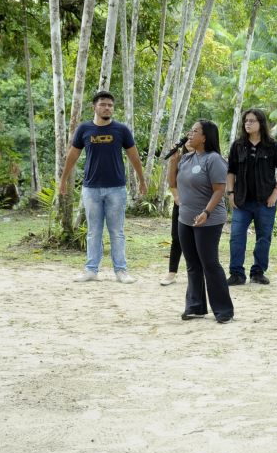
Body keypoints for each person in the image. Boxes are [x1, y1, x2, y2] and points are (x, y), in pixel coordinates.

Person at [59, 90, 147, 283]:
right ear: (94, 107)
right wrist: (64, 180)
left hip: (116, 188)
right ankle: (91, 270)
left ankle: (121, 271)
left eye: (110, 105)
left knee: (117, 232)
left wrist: (141, 180)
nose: (107, 108)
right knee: (93, 231)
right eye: (103, 104)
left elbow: (134, 156)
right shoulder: (84, 129)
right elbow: (72, 155)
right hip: (91, 189)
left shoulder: (121, 130)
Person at [168, 120, 233, 323]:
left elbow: (219, 190)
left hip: (209, 219)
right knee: (192, 264)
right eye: (191, 130)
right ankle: (195, 306)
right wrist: (173, 161)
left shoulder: (213, 160)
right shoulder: (186, 158)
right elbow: (172, 183)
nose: (190, 134)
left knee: (209, 263)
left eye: (195, 131)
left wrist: (206, 212)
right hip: (185, 218)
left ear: (205, 137)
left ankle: (223, 310)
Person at [226, 109, 277, 286]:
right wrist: (230, 193)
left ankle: (258, 272)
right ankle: (237, 274)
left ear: (260, 123)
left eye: (252, 121)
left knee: (263, 238)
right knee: (237, 236)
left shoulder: (273, 146)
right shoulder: (238, 145)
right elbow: (230, 171)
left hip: (265, 201)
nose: (247, 124)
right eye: (246, 121)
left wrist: (276, 192)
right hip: (242, 200)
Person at [159, 201, 182, 286]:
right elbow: (172, 187)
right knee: (176, 239)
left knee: (199, 241)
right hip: (181, 204)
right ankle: (171, 273)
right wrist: (176, 197)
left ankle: (200, 274)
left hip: (200, 204)